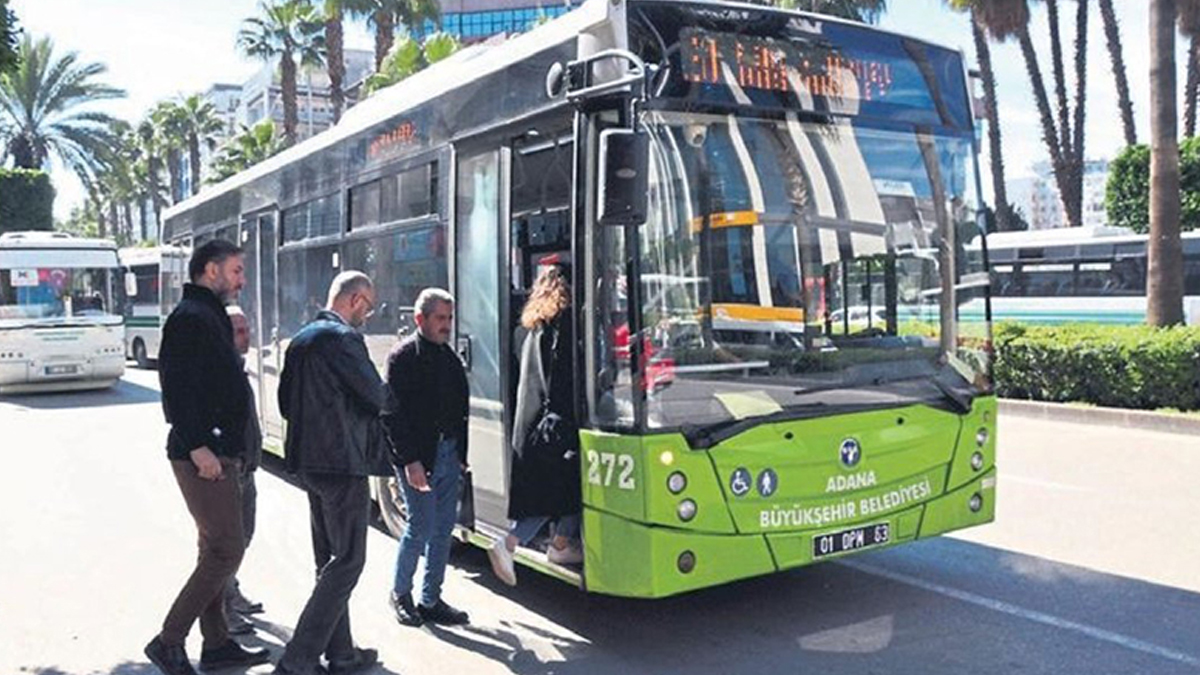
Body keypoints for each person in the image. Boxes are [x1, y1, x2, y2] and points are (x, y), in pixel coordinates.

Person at [146, 240, 271, 675]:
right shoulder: (190, 317)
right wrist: (199, 446)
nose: (241, 280)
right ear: (211, 270)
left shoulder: (206, 313)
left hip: (221, 451)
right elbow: (176, 389)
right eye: (236, 271)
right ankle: (168, 641)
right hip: (202, 453)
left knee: (213, 549)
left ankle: (217, 644)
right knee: (226, 550)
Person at [273, 271, 391, 675]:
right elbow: (376, 397)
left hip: (309, 463)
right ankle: (299, 657)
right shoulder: (343, 339)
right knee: (348, 560)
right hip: (342, 462)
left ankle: (342, 654)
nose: (368, 316)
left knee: (329, 559)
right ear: (355, 300)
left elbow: (286, 403)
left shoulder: (301, 338)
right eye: (369, 307)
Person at [488, 265, 582, 587]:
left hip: (529, 424)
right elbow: (566, 377)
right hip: (552, 424)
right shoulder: (565, 322)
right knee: (565, 488)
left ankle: (557, 544)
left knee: (553, 491)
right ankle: (517, 544)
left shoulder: (529, 326)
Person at [384, 287, 470, 627]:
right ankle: (400, 594)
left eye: (449, 318)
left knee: (443, 529)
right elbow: (392, 415)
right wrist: (410, 461)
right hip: (420, 457)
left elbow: (458, 411)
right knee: (419, 526)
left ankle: (430, 599)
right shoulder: (403, 357)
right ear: (420, 319)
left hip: (448, 454)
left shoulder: (449, 359)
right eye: (440, 318)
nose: (446, 325)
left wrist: (461, 455)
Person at [223, 306, 264, 635]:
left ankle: (231, 591)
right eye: (238, 330)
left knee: (244, 535)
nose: (246, 336)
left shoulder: (239, 367)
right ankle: (223, 611)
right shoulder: (220, 371)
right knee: (227, 543)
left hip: (245, 468)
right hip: (230, 468)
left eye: (247, 329)